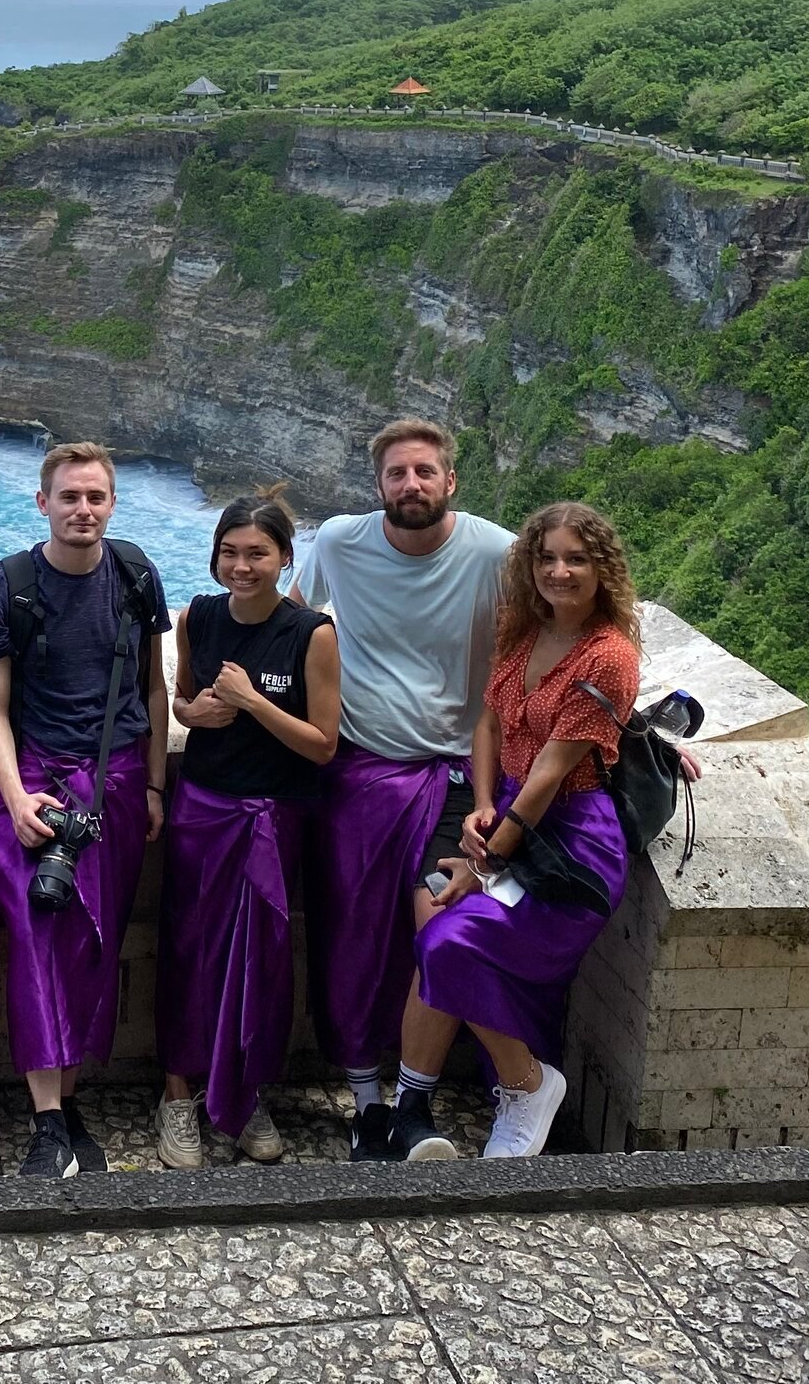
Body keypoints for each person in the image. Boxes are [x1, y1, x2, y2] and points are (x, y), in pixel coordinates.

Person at [394, 502, 659, 1162]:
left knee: (451, 943)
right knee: (441, 935)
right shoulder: (521, 629)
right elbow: (489, 723)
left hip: (569, 846)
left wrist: (484, 858)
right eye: (547, 558)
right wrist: (481, 806)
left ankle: (527, 1086)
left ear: (603, 569)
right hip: (507, 814)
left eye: (576, 558)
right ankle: (497, 1090)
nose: (559, 571)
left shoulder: (609, 657)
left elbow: (550, 772)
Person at [290, 417, 513, 1161]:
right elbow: (290, 625)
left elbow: (560, 634)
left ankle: (415, 1100)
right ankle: (365, 1104)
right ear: (377, 484)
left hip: (453, 778)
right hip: (356, 773)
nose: (410, 485)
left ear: (450, 481)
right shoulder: (339, 542)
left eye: (424, 472)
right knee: (349, 934)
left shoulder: (494, 552)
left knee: (440, 929)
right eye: (396, 474)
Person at [0, 440, 170, 1180]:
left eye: (95, 497)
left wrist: (152, 786)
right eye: (69, 497)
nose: (82, 509)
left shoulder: (136, 574)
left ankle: (68, 1099)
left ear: (111, 505)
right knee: (36, 938)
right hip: (34, 783)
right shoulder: (9, 585)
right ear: (42, 504)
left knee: (96, 942)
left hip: (114, 783)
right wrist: (16, 796)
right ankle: (47, 1118)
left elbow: (154, 693)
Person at [154, 496, 340, 1169]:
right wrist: (195, 712)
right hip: (202, 810)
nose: (242, 566)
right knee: (187, 949)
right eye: (230, 552)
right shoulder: (196, 618)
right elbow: (180, 701)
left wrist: (254, 703)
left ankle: (245, 1092)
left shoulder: (310, 633)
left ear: (285, 557)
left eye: (257, 553)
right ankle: (178, 1092)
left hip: (273, 816)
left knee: (261, 959)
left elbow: (323, 744)